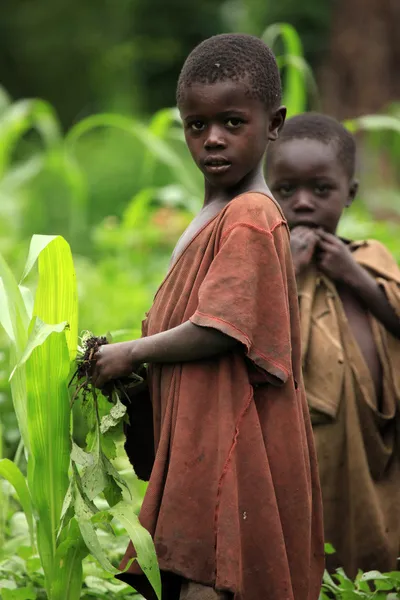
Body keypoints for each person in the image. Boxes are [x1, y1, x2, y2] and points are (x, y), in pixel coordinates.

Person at [92, 35, 324, 600]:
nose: (212, 138)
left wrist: (131, 352)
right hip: (206, 436)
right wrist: (130, 370)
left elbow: (220, 327)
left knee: (217, 578)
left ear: (273, 124)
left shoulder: (249, 215)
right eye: (197, 126)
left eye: (232, 122)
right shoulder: (214, 217)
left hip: (235, 442)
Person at [265, 112, 400, 577]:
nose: (303, 204)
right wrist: (293, 270)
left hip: (376, 441)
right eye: (286, 191)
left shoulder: (370, 258)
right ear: (267, 194)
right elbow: (253, 334)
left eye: (321, 190)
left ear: (350, 193)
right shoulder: (264, 267)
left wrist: (353, 275)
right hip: (307, 445)